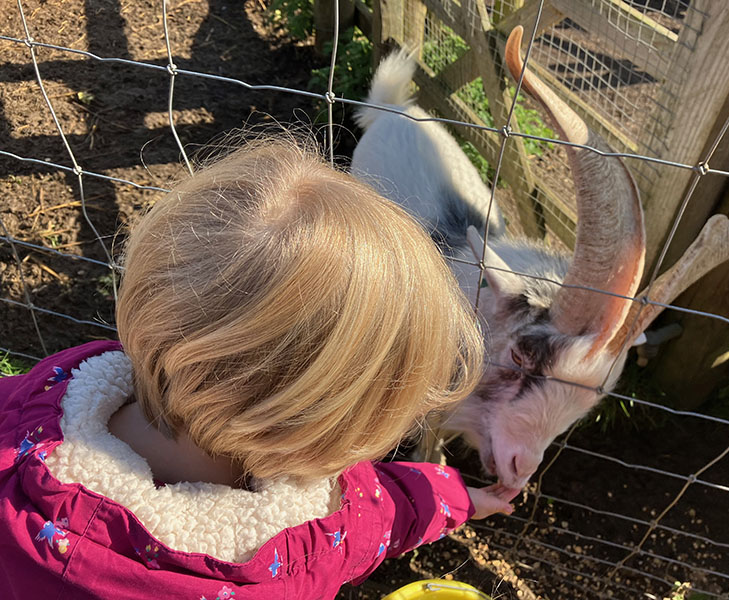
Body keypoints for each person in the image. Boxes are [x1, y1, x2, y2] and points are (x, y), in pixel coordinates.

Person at [0, 135, 517, 599]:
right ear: (326, 435)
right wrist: (456, 498)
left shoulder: (38, 404)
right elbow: (383, 516)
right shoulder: (310, 546)